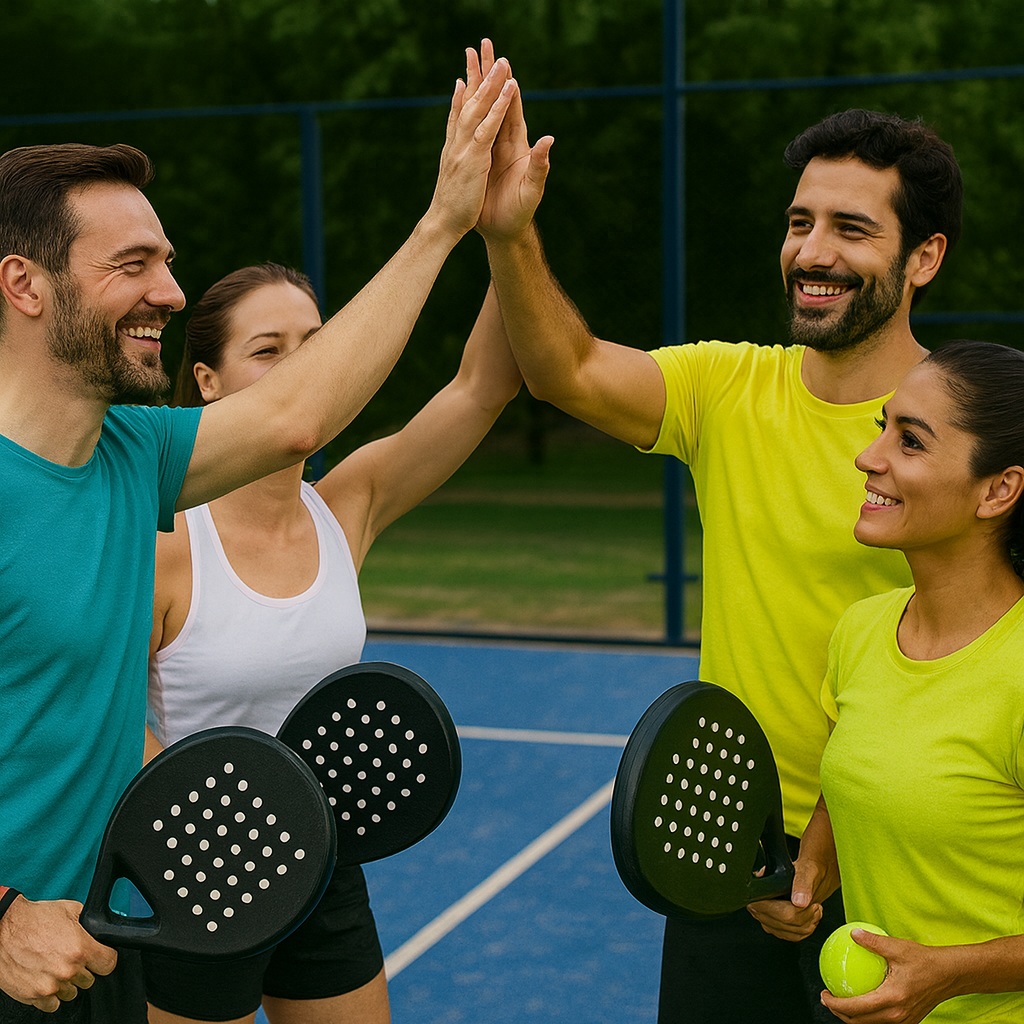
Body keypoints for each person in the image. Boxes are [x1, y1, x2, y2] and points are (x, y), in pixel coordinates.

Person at [0, 51, 518, 1019]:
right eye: (132, 264)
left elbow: (299, 416)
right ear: (24, 284)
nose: (168, 290)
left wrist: (460, 221)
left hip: (102, 943)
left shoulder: (131, 455)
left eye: (166, 260)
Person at [470, 38, 963, 1022]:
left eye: (851, 229)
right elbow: (563, 367)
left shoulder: (961, 434)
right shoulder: (728, 386)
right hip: (728, 837)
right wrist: (509, 232)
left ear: (922, 258)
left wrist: (831, 845)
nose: (813, 250)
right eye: (799, 222)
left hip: (897, 842)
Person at [141, 262, 520, 1024]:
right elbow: (109, 725)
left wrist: (510, 234)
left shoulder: (345, 505)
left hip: (321, 861)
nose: (304, 366)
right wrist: (220, 835)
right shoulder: (170, 538)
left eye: (317, 343)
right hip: (192, 870)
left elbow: (481, 387)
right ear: (208, 381)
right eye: (270, 349)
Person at [754, 340, 1024, 1023]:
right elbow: (854, 786)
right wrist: (811, 872)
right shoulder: (861, 632)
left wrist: (952, 972)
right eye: (882, 429)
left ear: (998, 490)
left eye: (910, 441)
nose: (867, 458)